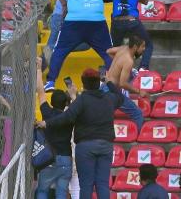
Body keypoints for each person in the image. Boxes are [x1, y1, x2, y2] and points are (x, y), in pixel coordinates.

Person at [38, 68, 123, 199]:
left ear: (83, 84)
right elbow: (120, 97)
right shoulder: (109, 98)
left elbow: (66, 117)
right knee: (103, 184)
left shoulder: (82, 100)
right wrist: (109, 82)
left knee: (86, 185)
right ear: (99, 81)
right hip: (106, 145)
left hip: (86, 147)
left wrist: (47, 123)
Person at [45, 0, 113, 91]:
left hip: (74, 19)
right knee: (108, 53)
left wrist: (64, 3)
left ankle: (50, 82)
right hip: (96, 19)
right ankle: (113, 83)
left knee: (59, 50)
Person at [34, 57, 73, 199]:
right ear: (65, 104)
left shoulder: (46, 111)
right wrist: (73, 93)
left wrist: (39, 69)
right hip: (65, 159)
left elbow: (40, 91)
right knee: (61, 193)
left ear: (52, 101)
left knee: (43, 190)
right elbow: (76, 106)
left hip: (48, 158)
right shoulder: (69, 116)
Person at [110, 0, 154, 70]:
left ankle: (116, 71)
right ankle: (143, 69)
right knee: (148, 45)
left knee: (116, 49)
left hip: (116, 21)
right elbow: (145, 1)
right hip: (132, 21)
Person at [105, 35, 147, 131]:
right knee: (138, 114)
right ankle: (138, 137)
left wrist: (118, 65)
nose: (144, 49)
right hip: (112, 92)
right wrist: (139, 91)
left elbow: (108, 51)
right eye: (142, 46)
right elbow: (123, 84)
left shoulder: (123, 48)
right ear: (135, 47)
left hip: (107, 87)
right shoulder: (129, 60)